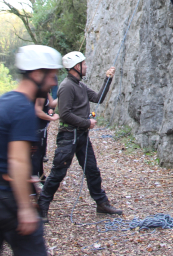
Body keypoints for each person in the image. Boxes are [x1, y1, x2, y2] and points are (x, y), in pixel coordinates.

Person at [0, 45, 61, 255]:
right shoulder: (23, 107)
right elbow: (18, 160)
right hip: (8, 199)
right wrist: (24, 207)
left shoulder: (4, 100)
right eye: (51, 76)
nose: (53, 82)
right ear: (37, 74)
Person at [37, 51, 121, 221]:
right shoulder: (67, 86)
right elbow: (65, 114)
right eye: (83, 64)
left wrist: (108, 79)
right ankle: (41, 207)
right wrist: (86, 123)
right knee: (57, 173)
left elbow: (98, 98)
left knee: (92, 170)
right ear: (76, 67)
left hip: (81, 136)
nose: (86, 66)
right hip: (68, 137)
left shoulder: (80, 86)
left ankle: (101, 203)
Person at [32, 85, 58, 184]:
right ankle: (34, 185)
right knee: (36, 156)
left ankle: (41, 178)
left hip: (42, 129)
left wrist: (66, 93)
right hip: (36, 129)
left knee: (40, 154)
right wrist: (51, 118)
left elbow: (52, 103)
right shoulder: (40, 91)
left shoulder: (45, 91)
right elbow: (37, 111)